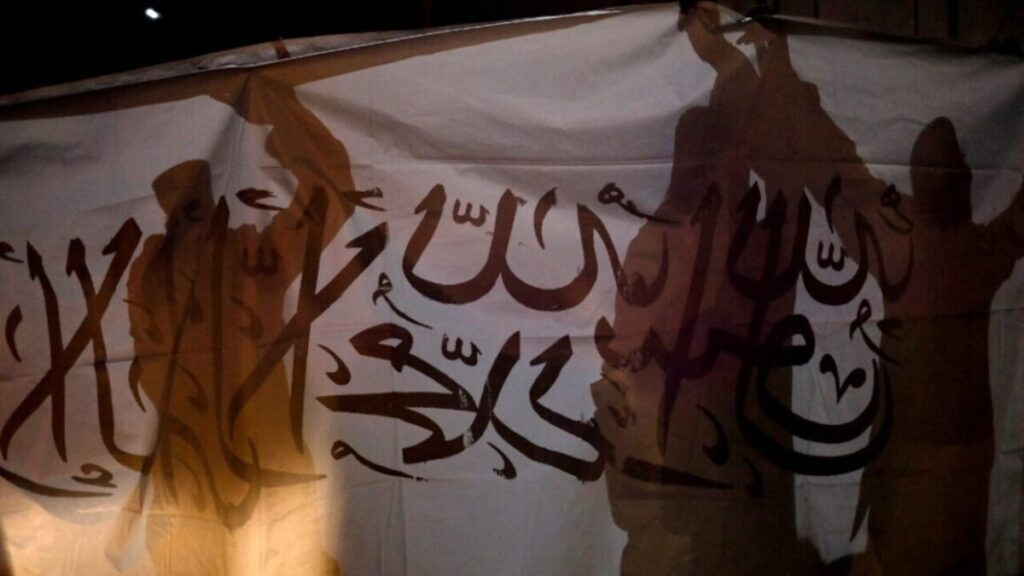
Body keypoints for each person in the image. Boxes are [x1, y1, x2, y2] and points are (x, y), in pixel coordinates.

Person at [116, 80, 355, 576]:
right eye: (185, 214)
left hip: (257, 475)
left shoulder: (248, 259)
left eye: (198, 210)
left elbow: (329, 190)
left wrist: (276, 105)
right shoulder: (153, 278)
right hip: (196, 487)